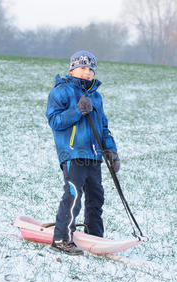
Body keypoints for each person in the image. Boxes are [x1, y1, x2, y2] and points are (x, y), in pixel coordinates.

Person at [45, 50, 120, 255]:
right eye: (83, 68)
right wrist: (77, 110)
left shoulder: (96, 96)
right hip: (73, 153)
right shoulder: (61, 92)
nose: (87, 72)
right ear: (72, 69)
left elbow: (103, 126)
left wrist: (111, 150)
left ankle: (95, 237)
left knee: (96, 197)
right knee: (74, 195)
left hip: (93, 155)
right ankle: (61, 238)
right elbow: (55, 122)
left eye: (90, 69)